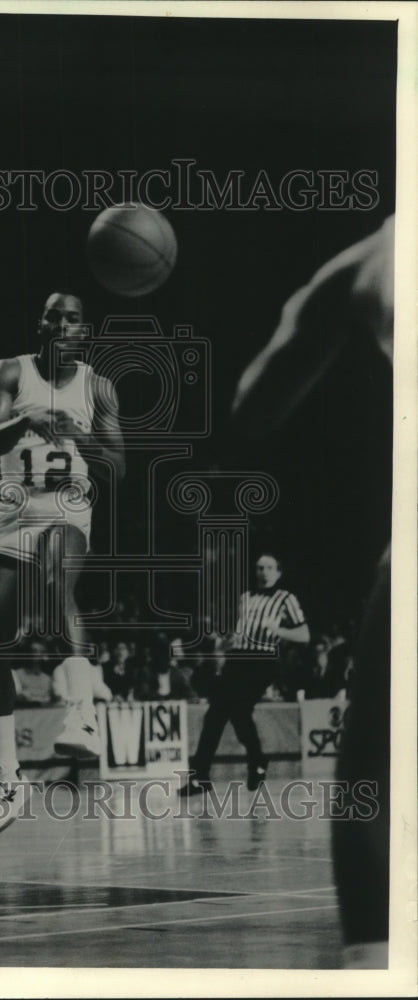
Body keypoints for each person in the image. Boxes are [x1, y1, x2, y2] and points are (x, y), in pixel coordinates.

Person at [231, 215, 394, 969]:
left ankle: (372, 957)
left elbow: (254, 407)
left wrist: (320, 305)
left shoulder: (383, 251)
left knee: (371, 777)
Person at [0, 290, 125, 835]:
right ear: (40, 323)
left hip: (69, 508)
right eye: (53, 315)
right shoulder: (9, 373)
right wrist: (24, 421)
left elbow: (118, 467)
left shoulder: (98, 387)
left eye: (73, 318)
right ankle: (7, 778)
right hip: (14, 511)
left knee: (53, 574)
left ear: (83, 331)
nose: (62, 324)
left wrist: (76, 431)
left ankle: (83, 713)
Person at [178, 553, 309, 795]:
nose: (264, 572)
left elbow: (304, 635)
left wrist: (277, 629)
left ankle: (246, 763)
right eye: (260, 568)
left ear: (278, 572)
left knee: (232, 711)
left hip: (262, 662)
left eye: (269, 567)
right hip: (237, 659)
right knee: (218, 714)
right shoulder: (245, 598)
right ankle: (207, 775)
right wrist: (226, 644)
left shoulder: (286, 598)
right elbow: (240, 632)